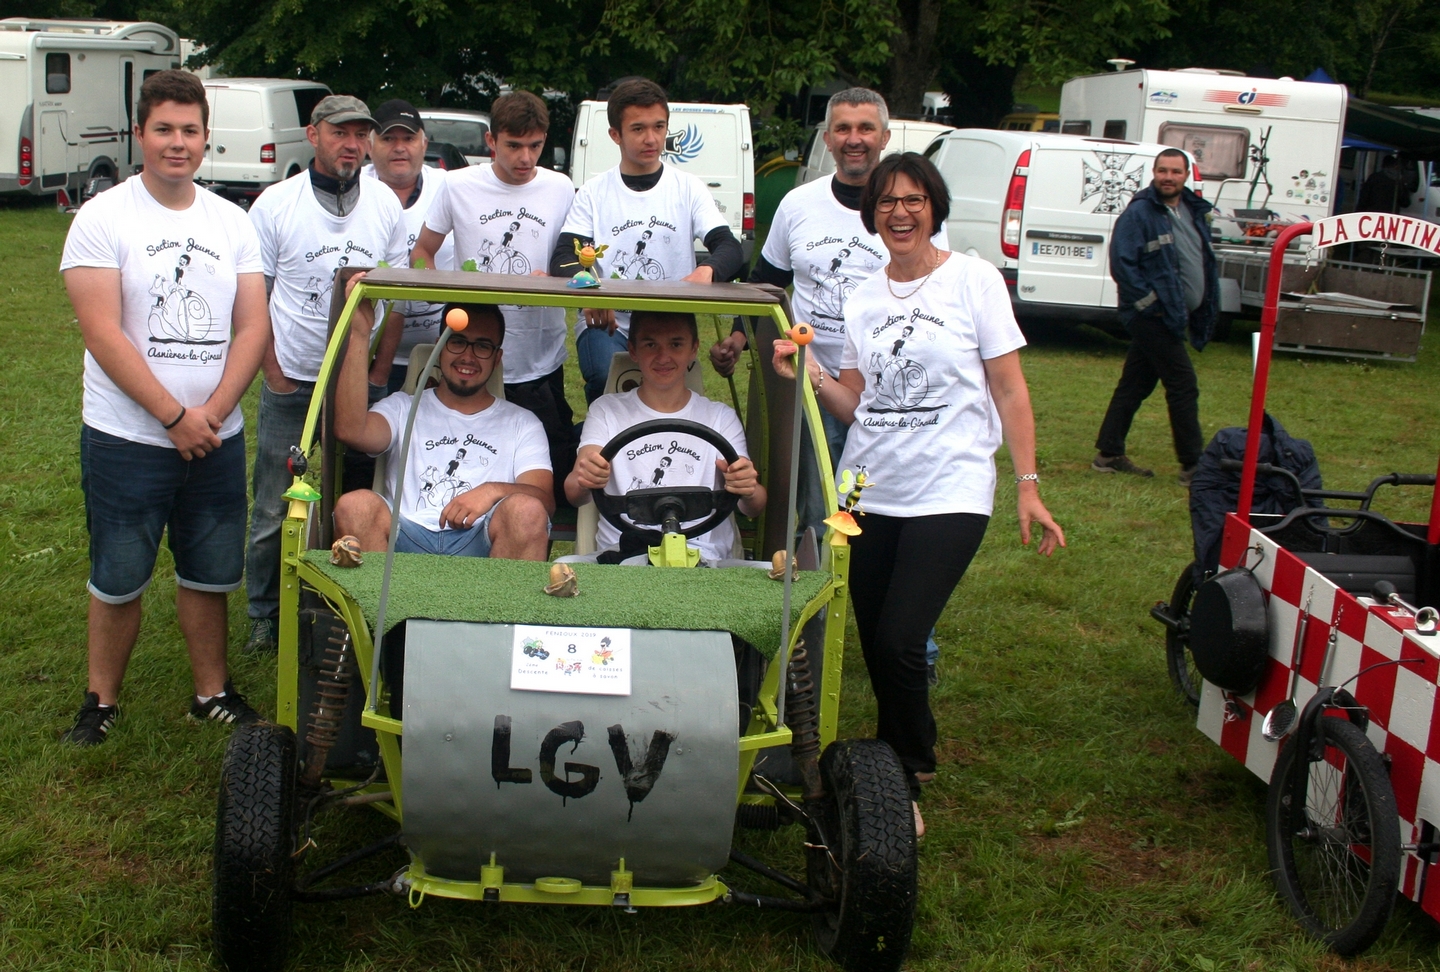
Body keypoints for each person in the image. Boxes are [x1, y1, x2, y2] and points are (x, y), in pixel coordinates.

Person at [773, 153, 1064, 837]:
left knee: (904, 638)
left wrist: (1028, 485)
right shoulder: (865, 295)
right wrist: (806, 370)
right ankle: (908, 752)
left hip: (951, 485)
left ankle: (905, 766)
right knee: (873, 635)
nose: (899, 213)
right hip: (871, 487)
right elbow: (856, 404)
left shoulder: (973, 279)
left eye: (913, 200)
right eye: (885, 202)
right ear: (871, 213)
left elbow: (1011, 388)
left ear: (935, 206)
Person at [58, 70, 271, 744]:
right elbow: (103, 333)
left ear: (206, 139)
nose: (177, 143)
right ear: (140, 134)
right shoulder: (103, 217)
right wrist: (174, 418)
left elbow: (252, 328)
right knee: (119, 576)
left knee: (209, 573)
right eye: (164, 130)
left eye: (189, 131)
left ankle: (212, 692)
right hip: (127, 438)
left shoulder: (232, 221)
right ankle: (101, 701)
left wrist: (211, 412)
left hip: (216, 435)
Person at [709, 87, 948, 679]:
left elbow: (935, 289)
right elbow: (767, 286)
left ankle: (916, 644)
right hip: (812, 388)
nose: (855, 139)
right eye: (842, 128)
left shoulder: (907, 210)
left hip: (889, 395)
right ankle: (823, 632)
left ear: (886, 137)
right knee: (821, 513)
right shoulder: (797, 205)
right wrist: (739, 340)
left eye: (866, 127)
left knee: (897, 516)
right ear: (827, 138)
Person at [243, 95, 410, 653]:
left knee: (358, 497)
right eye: (342, 133)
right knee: (277, 503)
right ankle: (265, 613)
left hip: (359, 380)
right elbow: (255, 299)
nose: (353, 145)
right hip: (295, 379)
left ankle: (349, 604)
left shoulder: (385, 203)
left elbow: (400, 292)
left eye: (362, 135)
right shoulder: (275, 205)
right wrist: (275, 376)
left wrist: (381, 367)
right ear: (313, 135)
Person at [414, 91, 577, 505]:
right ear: (491, 142)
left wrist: (559, 275)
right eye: (514, 146)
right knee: (468, 452)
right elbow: (423, 250)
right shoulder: (457, 184)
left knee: (546, 468)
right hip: (473, 346)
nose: (525, 158)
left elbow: (575, 257)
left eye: (535, 146)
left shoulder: (560, 187)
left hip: (539, 356)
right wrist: (439, 289)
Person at [549, 78, 745, 402]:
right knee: (604, 377)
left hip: (670, 322)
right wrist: (591, 289)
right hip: (608, 323)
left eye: (659, 127)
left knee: (669, 399)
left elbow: (729, 247)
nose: (651, 138)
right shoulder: (593, 193)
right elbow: (563, 257)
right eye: (638, 129)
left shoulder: (688, 188)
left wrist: (706, 271)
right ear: (615, 134)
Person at [331, 276, 554, 559]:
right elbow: (350, 430)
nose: (468, 357)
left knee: (527, 510)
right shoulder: (402, 407)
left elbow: (545, 502)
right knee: (355, 505)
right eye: (457, 341)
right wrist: (360, 333)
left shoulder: (522, 423)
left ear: (497, 359)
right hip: (406, 534)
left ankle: (499, 605)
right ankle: (380, 604)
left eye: (482, 346)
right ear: (439, 347)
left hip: (480, 541)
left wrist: (492, 491)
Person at [565, 311, 765, 564]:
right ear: (633, 350)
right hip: (624, 556)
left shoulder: (719, 417)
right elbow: (574, 491)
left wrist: (746, 487)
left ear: (693, 349)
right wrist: (587, 477)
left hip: (703, 557)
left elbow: (754, 505)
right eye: (651, 345)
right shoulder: (607, 411)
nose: (663, 357)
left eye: (676, 344)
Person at [1093, 148, 1217, 487]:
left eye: (1175, 171)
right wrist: (1150, 304)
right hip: (1154, 317)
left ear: (1186, 175)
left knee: (1135, 384)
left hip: (1176, 315)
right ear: (1154, 172)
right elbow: (1123, 264)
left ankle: (1108, 453)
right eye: (1162, 170)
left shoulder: (1193, 210)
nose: (1168, 177)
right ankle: (1193, 465)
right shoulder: (1140, 214)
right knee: (1183, 385)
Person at [360, 99, 457, 392]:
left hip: (443, 353)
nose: (399, 147)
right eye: (388, 138)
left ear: (424, 144)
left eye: (409, 138)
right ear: (369, 145)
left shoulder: (451, 186)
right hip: (367, 355)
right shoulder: (355, 192)